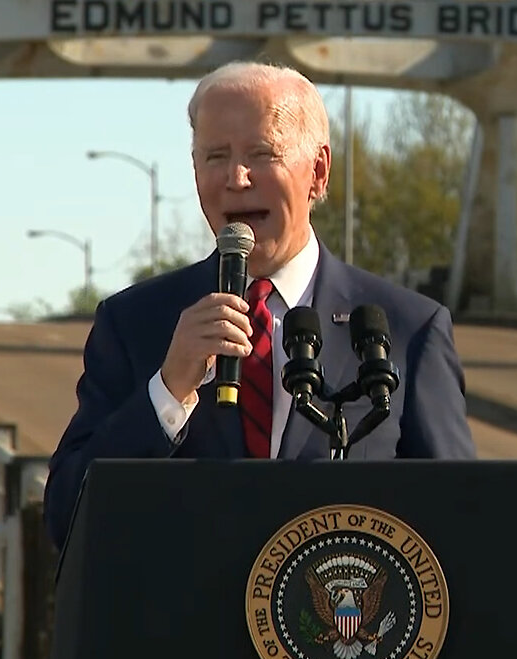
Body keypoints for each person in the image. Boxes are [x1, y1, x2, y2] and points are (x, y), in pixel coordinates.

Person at [43, 61, 476, 550]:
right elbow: (64, 519)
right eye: (215, 156)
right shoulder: (134, 323)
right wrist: (167, 392)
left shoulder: (409, 330)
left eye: (261, 153)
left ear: (317, 172)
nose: (237, 177)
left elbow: (461, 524)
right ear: (195, 171)